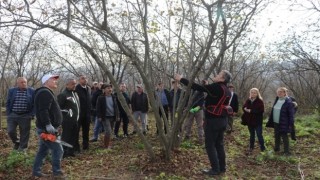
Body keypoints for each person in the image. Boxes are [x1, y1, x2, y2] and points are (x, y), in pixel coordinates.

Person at [175, 70, 232, 176]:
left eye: (219, 75)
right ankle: (222, 168)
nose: (216, 75)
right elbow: (214, 96)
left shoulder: (216, 87)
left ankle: (215, 169)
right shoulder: (226, 89)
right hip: (223, 120)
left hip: (213, 121)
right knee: (219, 144)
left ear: (222, 79)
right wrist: (207, 86)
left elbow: (197, 87)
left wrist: (181, 79)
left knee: (210, 145)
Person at [32, 74, 65, 178]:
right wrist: (48, 124)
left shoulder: (46, 92)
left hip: (46, 128)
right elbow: (43, 110)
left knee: (43, 151)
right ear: (46, 81)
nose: (56, 81)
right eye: (53, 79)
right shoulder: (44, 93)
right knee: (58, 150)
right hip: (47, 130)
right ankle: (57, 173)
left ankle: (36, 172)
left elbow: (47, 108)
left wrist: (59, 111)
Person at [6, 77, 35, 151]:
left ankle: (23, 148)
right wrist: (8, 113)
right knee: (10, 131)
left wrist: (32, 114)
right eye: (22, 82)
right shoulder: (12, 90)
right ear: (18, 83)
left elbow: (35, 104)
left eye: (25, 82)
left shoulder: (32, 91)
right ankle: (17, 142)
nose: (24, 83)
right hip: (13, 114)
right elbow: (8, 102)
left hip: (25, 115)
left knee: (24, 133)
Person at [266, 87, 295, 156]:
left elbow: (291, 114)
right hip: (276, 122)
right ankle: (277, 148)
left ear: (285, 93)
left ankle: (286, 152)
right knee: (276, 135)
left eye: (281, 92)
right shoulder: (277, 99)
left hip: (284, 122)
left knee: (284, 136)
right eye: (278, 92)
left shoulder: (288, 101)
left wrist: (291, 124)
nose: (279, 93)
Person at [57, 78, 80, 158]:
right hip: (67, 120)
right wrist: (67, 113)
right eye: (72, 84)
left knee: (73, 136)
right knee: (66, 137)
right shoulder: (63, 95)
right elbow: (59, 108)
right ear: (67, 85)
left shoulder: (75, 94)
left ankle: (70, 151)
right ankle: (63, 152)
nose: (74, 85)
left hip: (75, 120)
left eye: (75, 84)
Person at [241, 88, 266, 154]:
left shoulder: (260, 101)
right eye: (252, 92)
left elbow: (261, 111)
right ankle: (251, 147)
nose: (253, 94)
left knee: (259, 135)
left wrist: (251, 111)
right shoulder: (248, 100)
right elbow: (243, 107)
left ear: (257, 93)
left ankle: (263, 148)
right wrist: (245, 109)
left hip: (257, 121)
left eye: (254, 92)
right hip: (250, 121)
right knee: (252, 135)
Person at [96, 84, 119, 148]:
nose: (110, 89)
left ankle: (108, 143)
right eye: (108, 88)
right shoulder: (100, 97)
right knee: (108, 131)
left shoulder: (114, 97)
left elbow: (116, 107)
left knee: (110, 131)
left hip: (113, 116)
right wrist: (99, 116)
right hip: (105, 117)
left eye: (110, 88)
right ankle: (106, 145)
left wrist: (117, 115)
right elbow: (98, 108)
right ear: (104, 89)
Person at [75, 75, 91, 151]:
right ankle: (76, 147)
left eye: (86, 78)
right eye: (83, 78)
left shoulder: (88, 89)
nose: (85, 80)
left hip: (87, 114)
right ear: (79, 80)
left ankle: (86, 146)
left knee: (86, 131)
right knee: (76, 131)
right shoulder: (76, 89)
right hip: (78, 114)